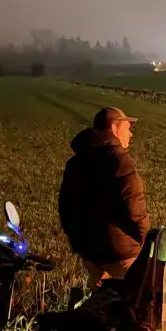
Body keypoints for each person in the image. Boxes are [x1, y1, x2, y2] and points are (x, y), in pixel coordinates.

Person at [58, 107, 149, 288]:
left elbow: (66, 209)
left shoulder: (76, 162)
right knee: (137, 305)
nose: (130, 134)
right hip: (121, 255)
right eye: (127, 128)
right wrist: (145, 242)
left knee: (101, 306)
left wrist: (79, 244)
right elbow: (135, 210)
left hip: (90, 254)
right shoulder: (120, 162)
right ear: (114, 128)